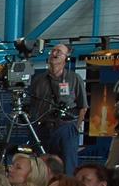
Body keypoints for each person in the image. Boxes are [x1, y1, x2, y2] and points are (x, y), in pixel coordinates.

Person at [29, 43, 87, 174]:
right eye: (53, 51)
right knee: (42, 167)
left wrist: (74, 129)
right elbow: (31, 106)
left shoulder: (74, 78)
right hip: (43, 128)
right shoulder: (38, 80)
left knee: (68, 167)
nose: (54, 53)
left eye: (59, 52)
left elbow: (83, 107)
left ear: (66, 58)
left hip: (66, 128)